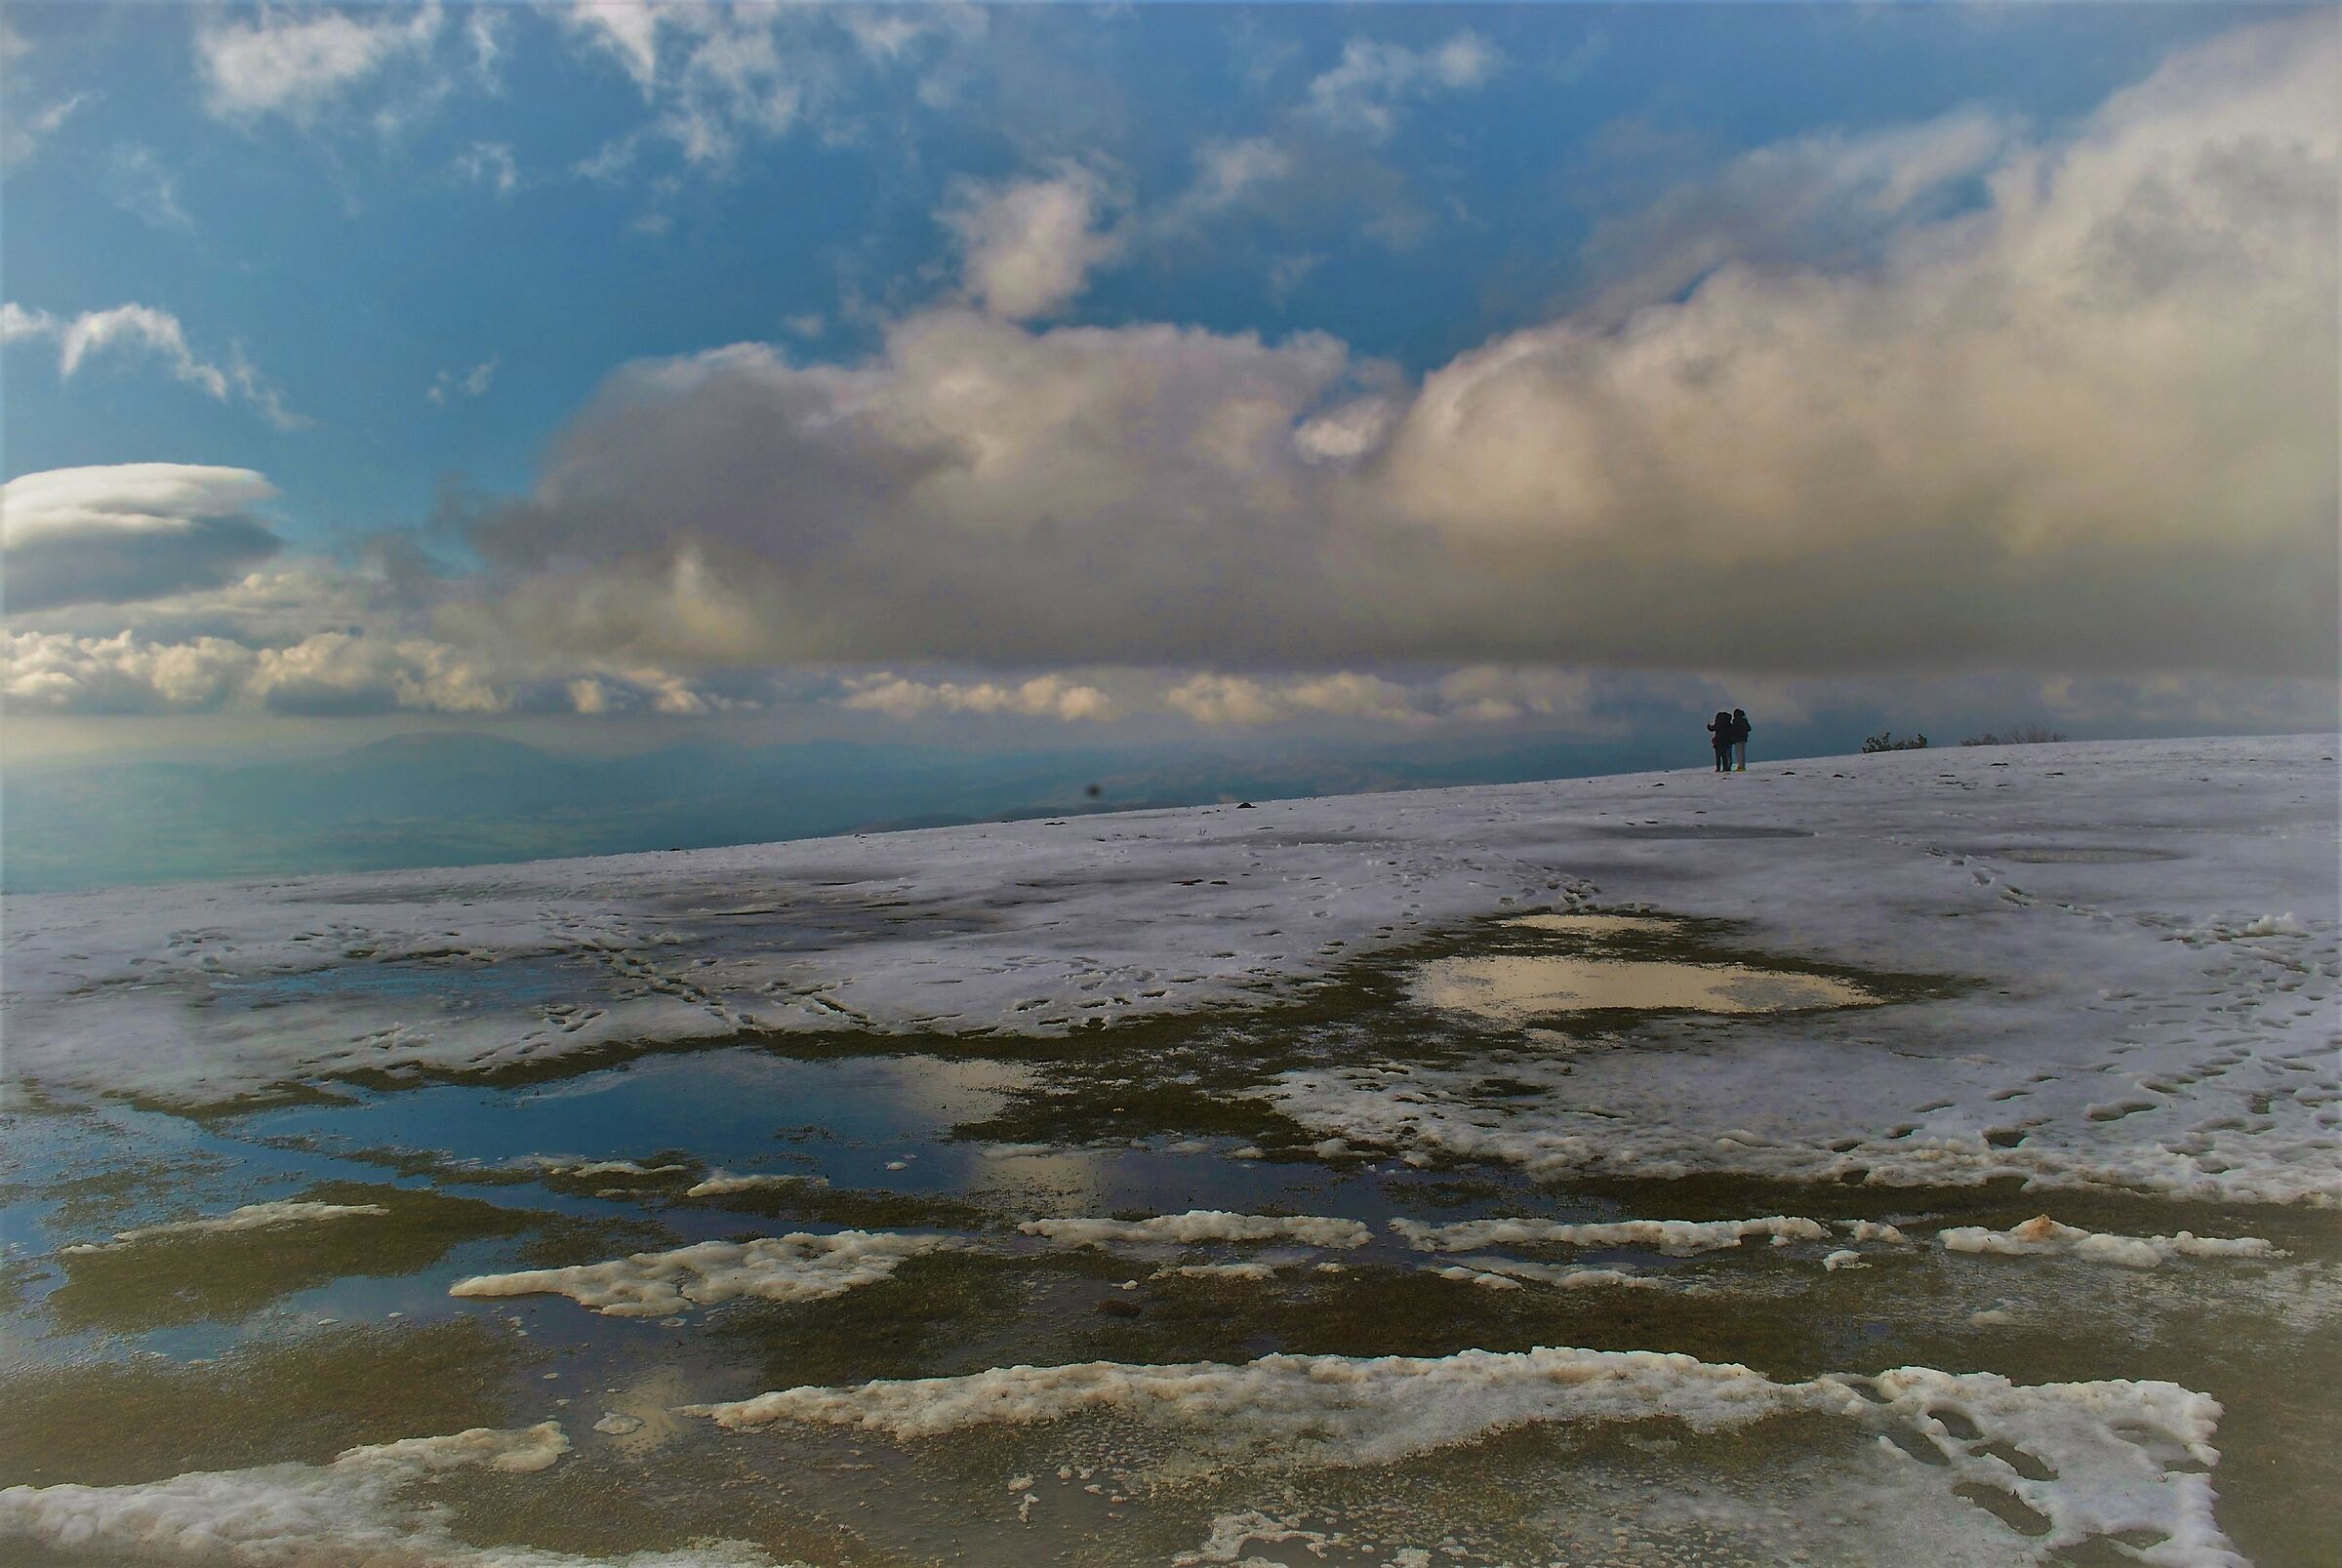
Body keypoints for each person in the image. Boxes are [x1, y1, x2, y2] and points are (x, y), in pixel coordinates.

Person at [1730, 708, 1751, 772]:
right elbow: (1749, 728)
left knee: (1739, 753)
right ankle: (1743, 766)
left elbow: (1734, 729)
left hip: (1737, 738)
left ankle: (1740, 767)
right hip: (1744, 738)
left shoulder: (1735, 720)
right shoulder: (1744, 720)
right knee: (1742, 753)